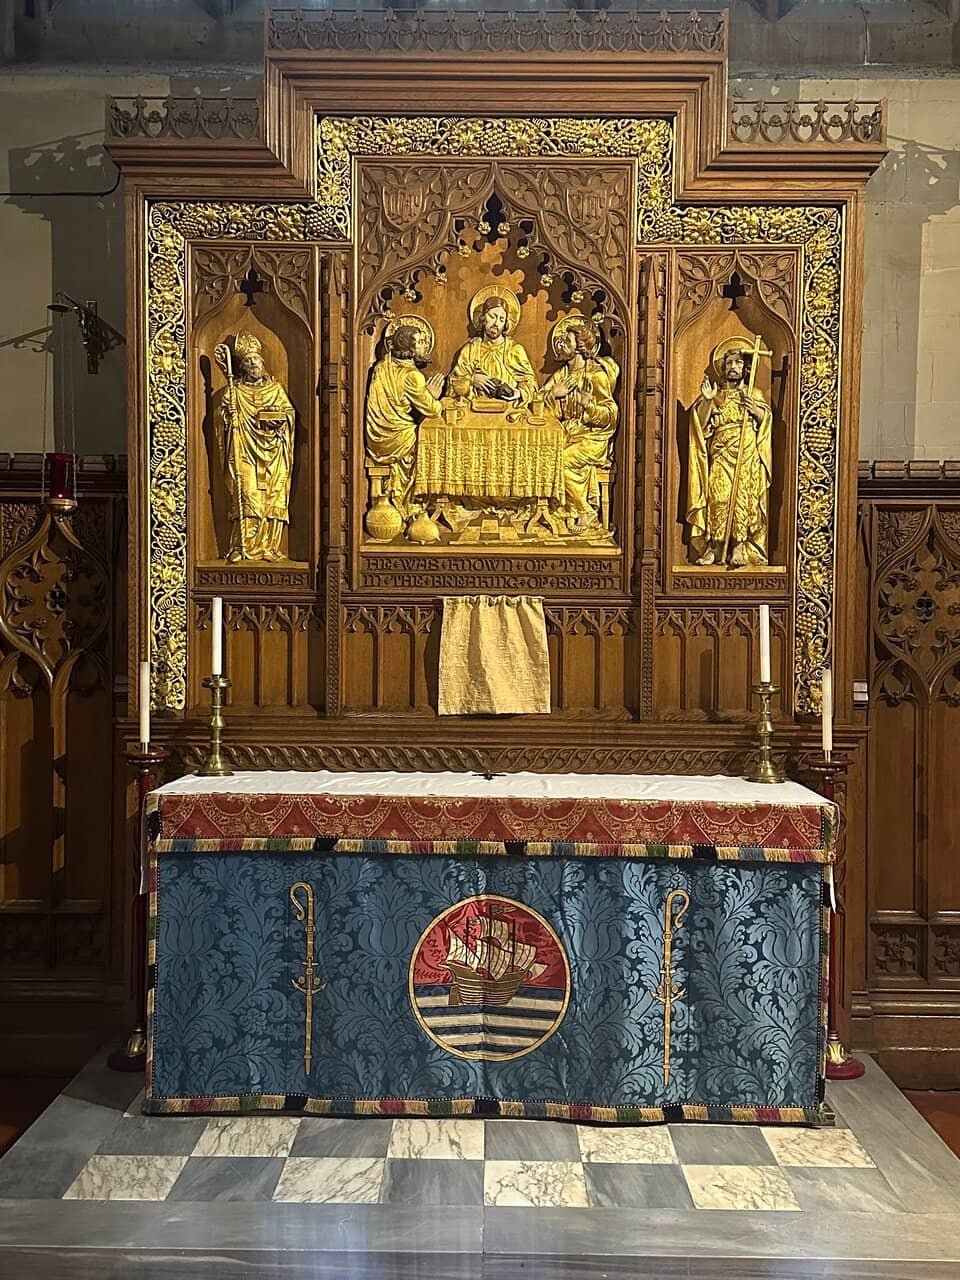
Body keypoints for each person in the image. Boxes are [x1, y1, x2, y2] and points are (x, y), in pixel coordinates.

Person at [686, 341, 773, 567]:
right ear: (723, 368)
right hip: (721, 454)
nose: (733, 367)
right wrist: (707, 401)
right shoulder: (716, 395)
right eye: (729, 363)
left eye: (738, 363)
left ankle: (738, 546)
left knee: (743, 498)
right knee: (719, 497)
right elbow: (699, 425)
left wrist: (755, 410)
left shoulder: (753, 393)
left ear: (745, 368)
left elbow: (766, 421)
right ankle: (715, 546)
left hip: (746, 455)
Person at [216, 331, 295, 563]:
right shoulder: (235, 391)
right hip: (245, 450)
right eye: (248, 361)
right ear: (242, 367)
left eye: (256, 360)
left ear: (262, 362)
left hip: (274, 451)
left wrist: (279, 420)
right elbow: (221, 420)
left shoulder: (276, 390)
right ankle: (242, 546)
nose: (253, 364)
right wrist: (226, 415)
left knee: (273, 495)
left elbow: (289, 415)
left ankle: (269, 546)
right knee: (247, 493)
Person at [542, 318, 619, 531]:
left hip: (593, 437)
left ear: (580, 347)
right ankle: (558, 510)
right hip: (568, 434)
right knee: (545, 457)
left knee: (561, 461)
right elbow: (538, 400)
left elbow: (611, 414)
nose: (561, 344)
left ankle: (586, 511)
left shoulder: (596, 375)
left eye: (567, 341)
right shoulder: (563, 374)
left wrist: (589, 406)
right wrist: (553, 394)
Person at [364, 321, 444, 517]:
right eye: (420, 342)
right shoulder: (412, 376)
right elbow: (433, 410)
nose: (425, 345)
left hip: (375, 437)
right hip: (396, 438)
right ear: (409, 347)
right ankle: (413, 505)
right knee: (432, 443)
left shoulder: (381, 367)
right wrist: (433, 395)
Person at [450, 291, 538, 406]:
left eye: (501, 319)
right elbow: (452, 384)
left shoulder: (514, 350)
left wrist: (518, 393)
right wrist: (472, 380)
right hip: (477, 410)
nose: (496, 323)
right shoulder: (471, 350)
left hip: (508, 410)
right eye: (492, 316)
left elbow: (531, 384)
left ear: (506, 323)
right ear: (482, 318)